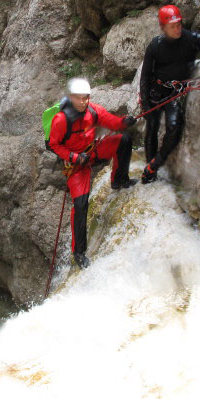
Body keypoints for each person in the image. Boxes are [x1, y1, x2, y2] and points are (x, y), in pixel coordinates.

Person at [49, 77, 137, 268]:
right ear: (71, 97)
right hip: (76, 165)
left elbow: (112, 123)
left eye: (86, 97)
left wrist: (124, 121)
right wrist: (73, 157)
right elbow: (53, 144)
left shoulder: (93, 111)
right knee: (80, 205)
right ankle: (79, 253)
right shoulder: (61, 120)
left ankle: (119, 180)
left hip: (92, 152)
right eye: (79, 98)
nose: (83, 101)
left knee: (124, 139)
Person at [139, 4, 200, 184]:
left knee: (174, 126)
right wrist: (145, 102)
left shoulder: (189, 38)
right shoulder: (155, 46)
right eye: (173, 26)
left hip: (175, 93)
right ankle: (149, 168)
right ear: (163, 27)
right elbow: (145, 75)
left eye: (179, 24)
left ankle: (154, 164)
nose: (177, 28)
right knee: (152, 125)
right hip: (157, 90)